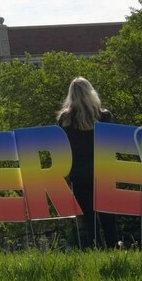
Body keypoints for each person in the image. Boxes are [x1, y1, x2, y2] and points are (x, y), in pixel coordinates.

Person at [58, 77, 117, 249]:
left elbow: (60, 148)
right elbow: (112, 144)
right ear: (91, 92)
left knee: (88, 220)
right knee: (109, 218)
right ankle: (115, 250)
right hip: (103, 172)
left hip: (78, 173)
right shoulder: (104, 116)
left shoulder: (65, 119)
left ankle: (95, 250)